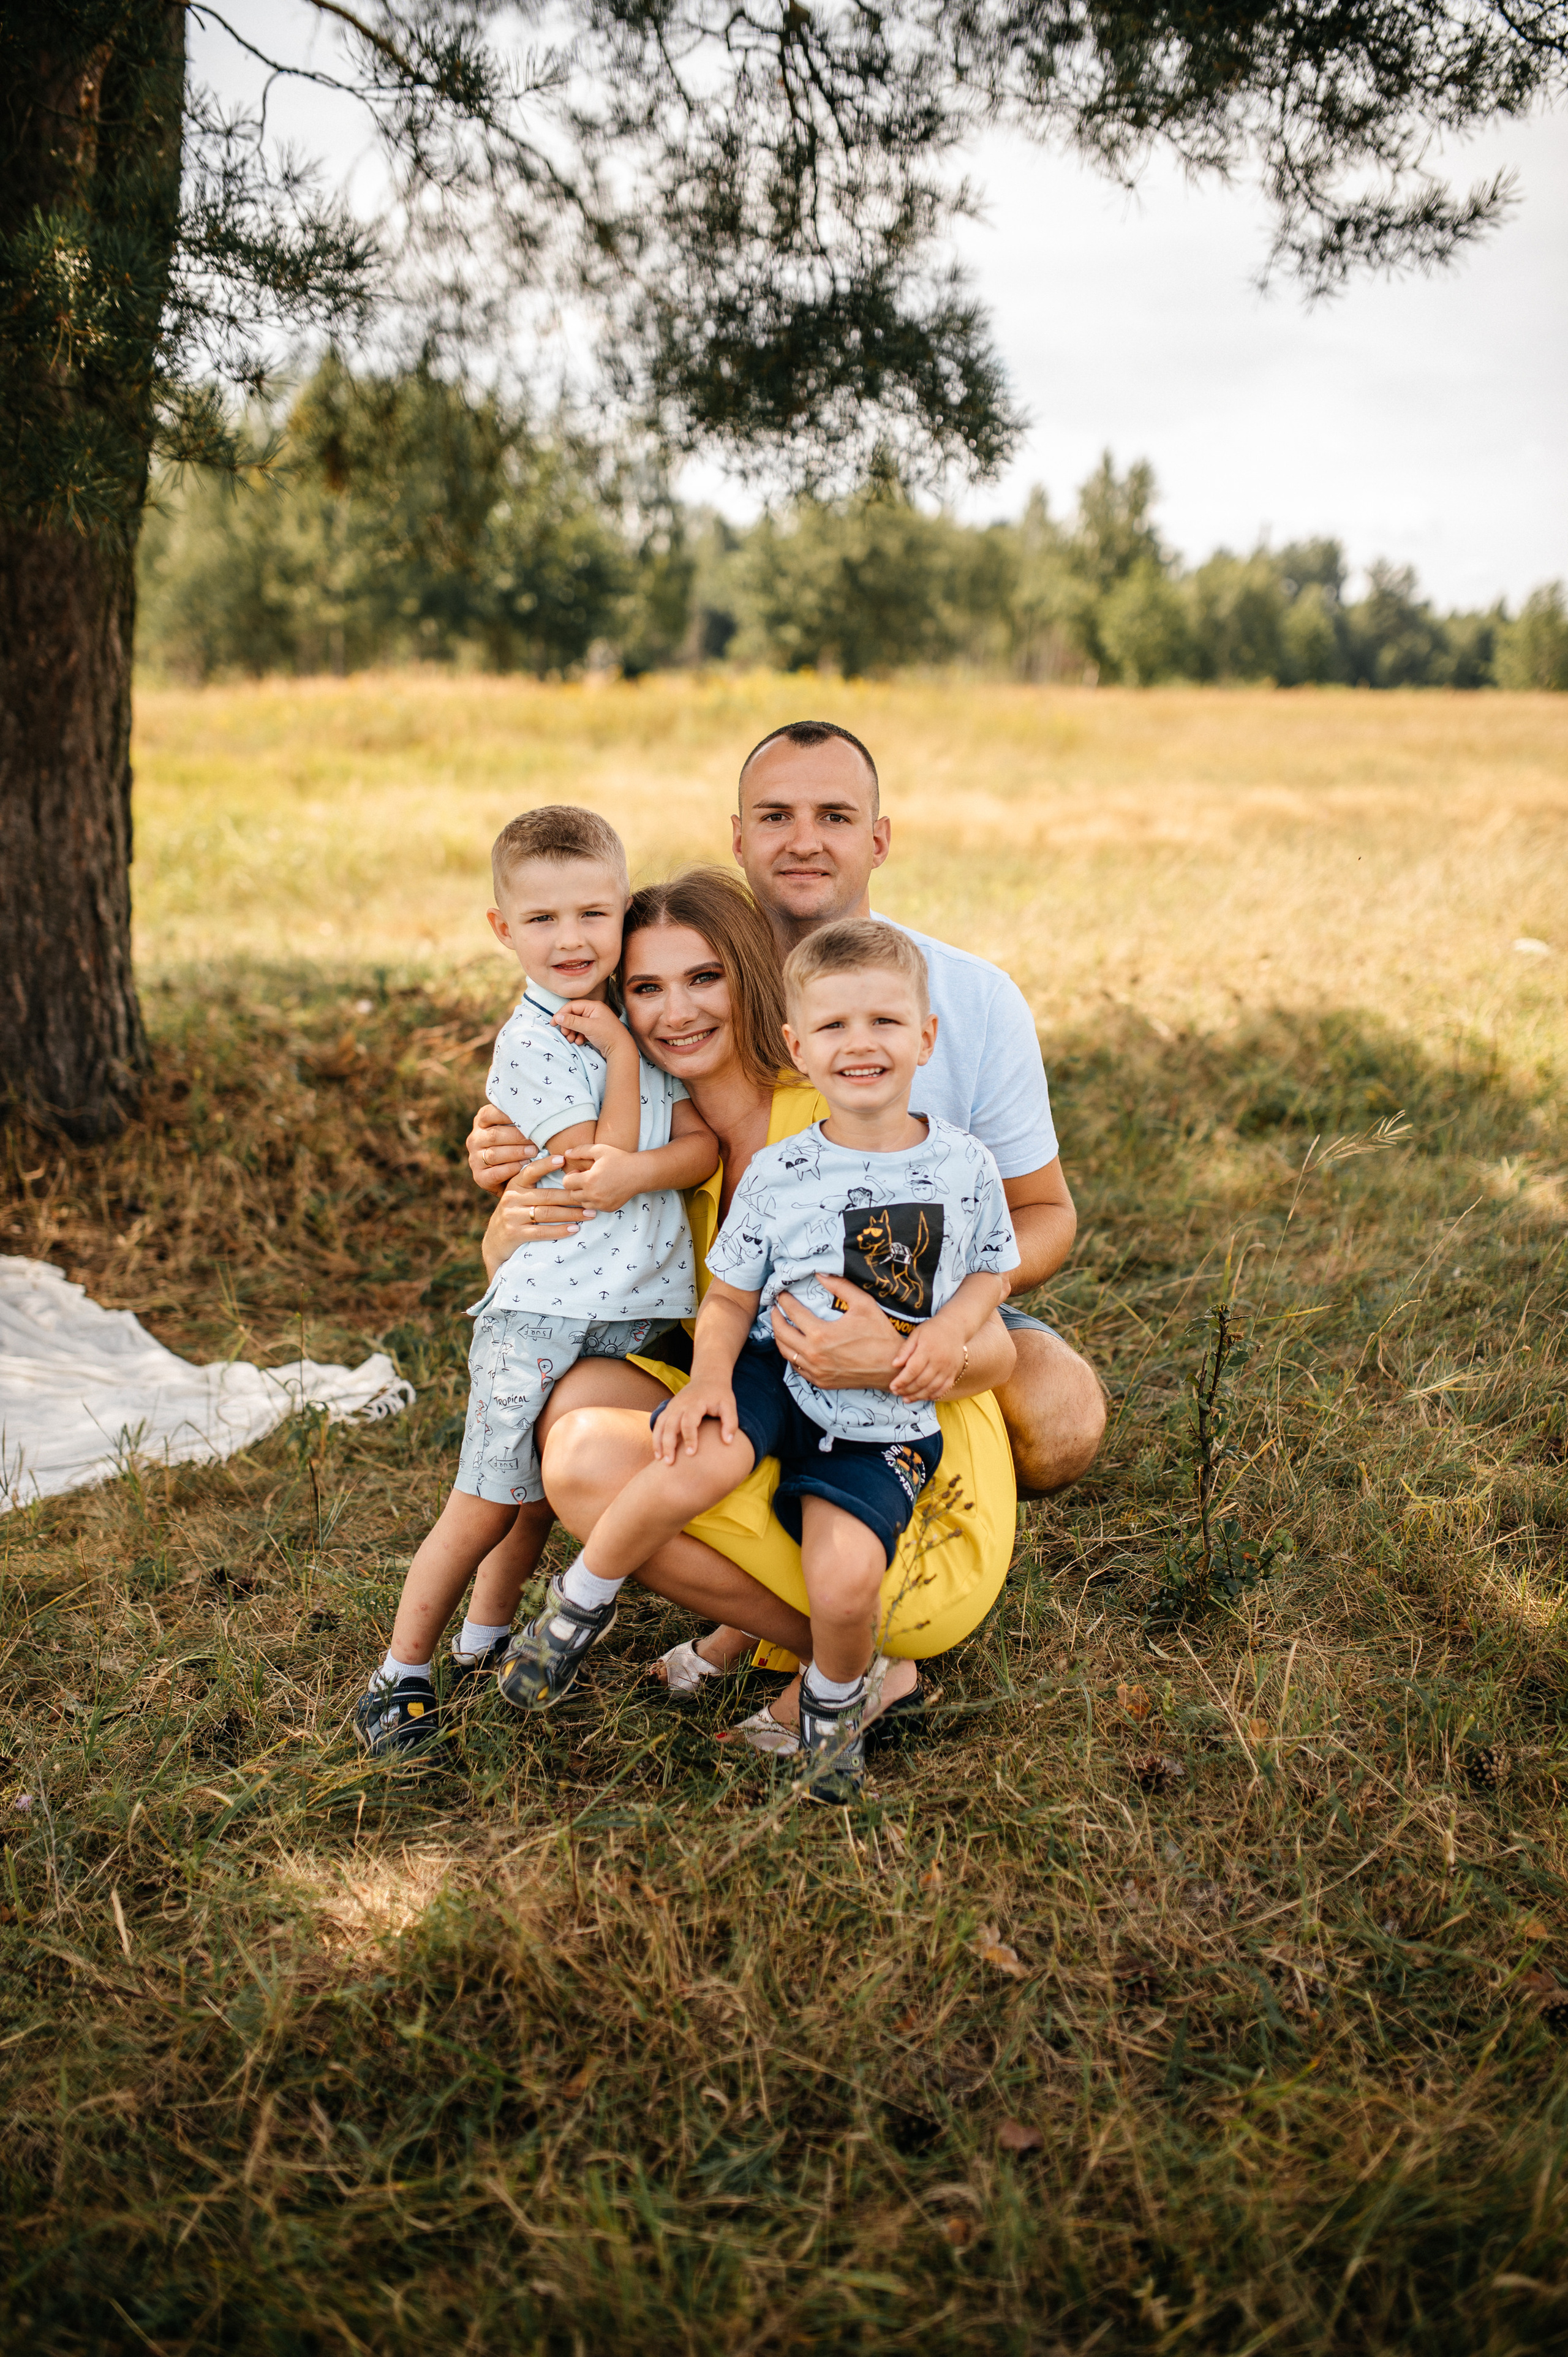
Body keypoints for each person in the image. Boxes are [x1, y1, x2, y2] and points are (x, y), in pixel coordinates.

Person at [469, 720, 1105, 1504]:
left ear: (878, 839)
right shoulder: (677, 976)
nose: (803, 841)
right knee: (586, 1413)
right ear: (738, 838)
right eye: (775, 817)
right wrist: (507, 1168)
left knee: (1058, 1409)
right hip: (690, 1297)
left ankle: (907, 1480)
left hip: (916, 1293)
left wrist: (929, 1326)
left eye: (834, 817)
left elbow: (1044, 1210)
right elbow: (554, 1081)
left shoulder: (971, 997)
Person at [464, 867, 1023, 1744]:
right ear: (615, 1008)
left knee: (592, 1456)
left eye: (705, 977)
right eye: (645, 988)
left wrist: (894, 1352)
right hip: (767, 1410)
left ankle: (854, 1654)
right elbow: (535, 1273)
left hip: (907, 1445)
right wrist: (506, 1226)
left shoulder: (834, 1120)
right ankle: (833, 1658)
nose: (676, 1011)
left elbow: (994, 1348)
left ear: (754, 983)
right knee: (573, 1416)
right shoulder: (651, 1152)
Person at [353, 806, 718, 1758]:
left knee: (538, 1503)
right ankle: (401, 1671)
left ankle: (484, 1639)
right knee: (485, 1501)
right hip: (544, 1313)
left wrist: (636, 1067)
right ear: (502, 929)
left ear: (624, 915)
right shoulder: (540, 1042)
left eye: (594, 915)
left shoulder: (628, 1015)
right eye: (544, 920)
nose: (572, 940)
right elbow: (601, 1159)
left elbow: (698, 1146)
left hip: (629, 1309)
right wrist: (627, 1060)